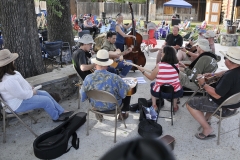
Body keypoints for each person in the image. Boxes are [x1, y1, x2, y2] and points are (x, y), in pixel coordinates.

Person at [0, 49, 73, 122]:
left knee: (45, 93)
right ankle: (56, 117)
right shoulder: (8, 80)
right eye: (12, 60)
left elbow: (22, 84)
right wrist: (32, 92)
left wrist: (30, 88)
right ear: (9, 63)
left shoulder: (13, 73)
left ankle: (61, 111)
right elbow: (21, 95)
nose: (14, 61)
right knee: (46, 101)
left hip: (22, 97)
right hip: (17, 104)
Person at [186, 47, 240, 140]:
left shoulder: (229, 77)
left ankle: (207, 129)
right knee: (209, 93)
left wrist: (203, 83)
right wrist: (212, 74)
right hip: (234, 105)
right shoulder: (234, 71)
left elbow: (216, 94)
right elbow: (226, 72)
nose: (224, 60)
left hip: (223, 108)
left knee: (190, 104)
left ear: (230, 61)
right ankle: (207, 119)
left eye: (225, 58)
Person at [80, 50, 131, 120]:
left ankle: (98, 113)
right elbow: (123, 94)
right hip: (113, 107)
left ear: (95, 64)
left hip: (95, 106)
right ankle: (123, 113)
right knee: (128, 90)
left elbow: (83, 96)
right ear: (107, 64)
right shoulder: (115, 77)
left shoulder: (88, 78)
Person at [137, 46, 183, 112]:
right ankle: (175, 106)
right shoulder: (177, 65)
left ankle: (154, 105)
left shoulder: (159, 65)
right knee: (176, 85)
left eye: (162, 52)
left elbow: (151, 78)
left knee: (153, 85)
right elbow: (178, 78)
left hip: (160, 93)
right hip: (175, 93)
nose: (161, 53)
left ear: (166, 54)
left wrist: (142, 71)